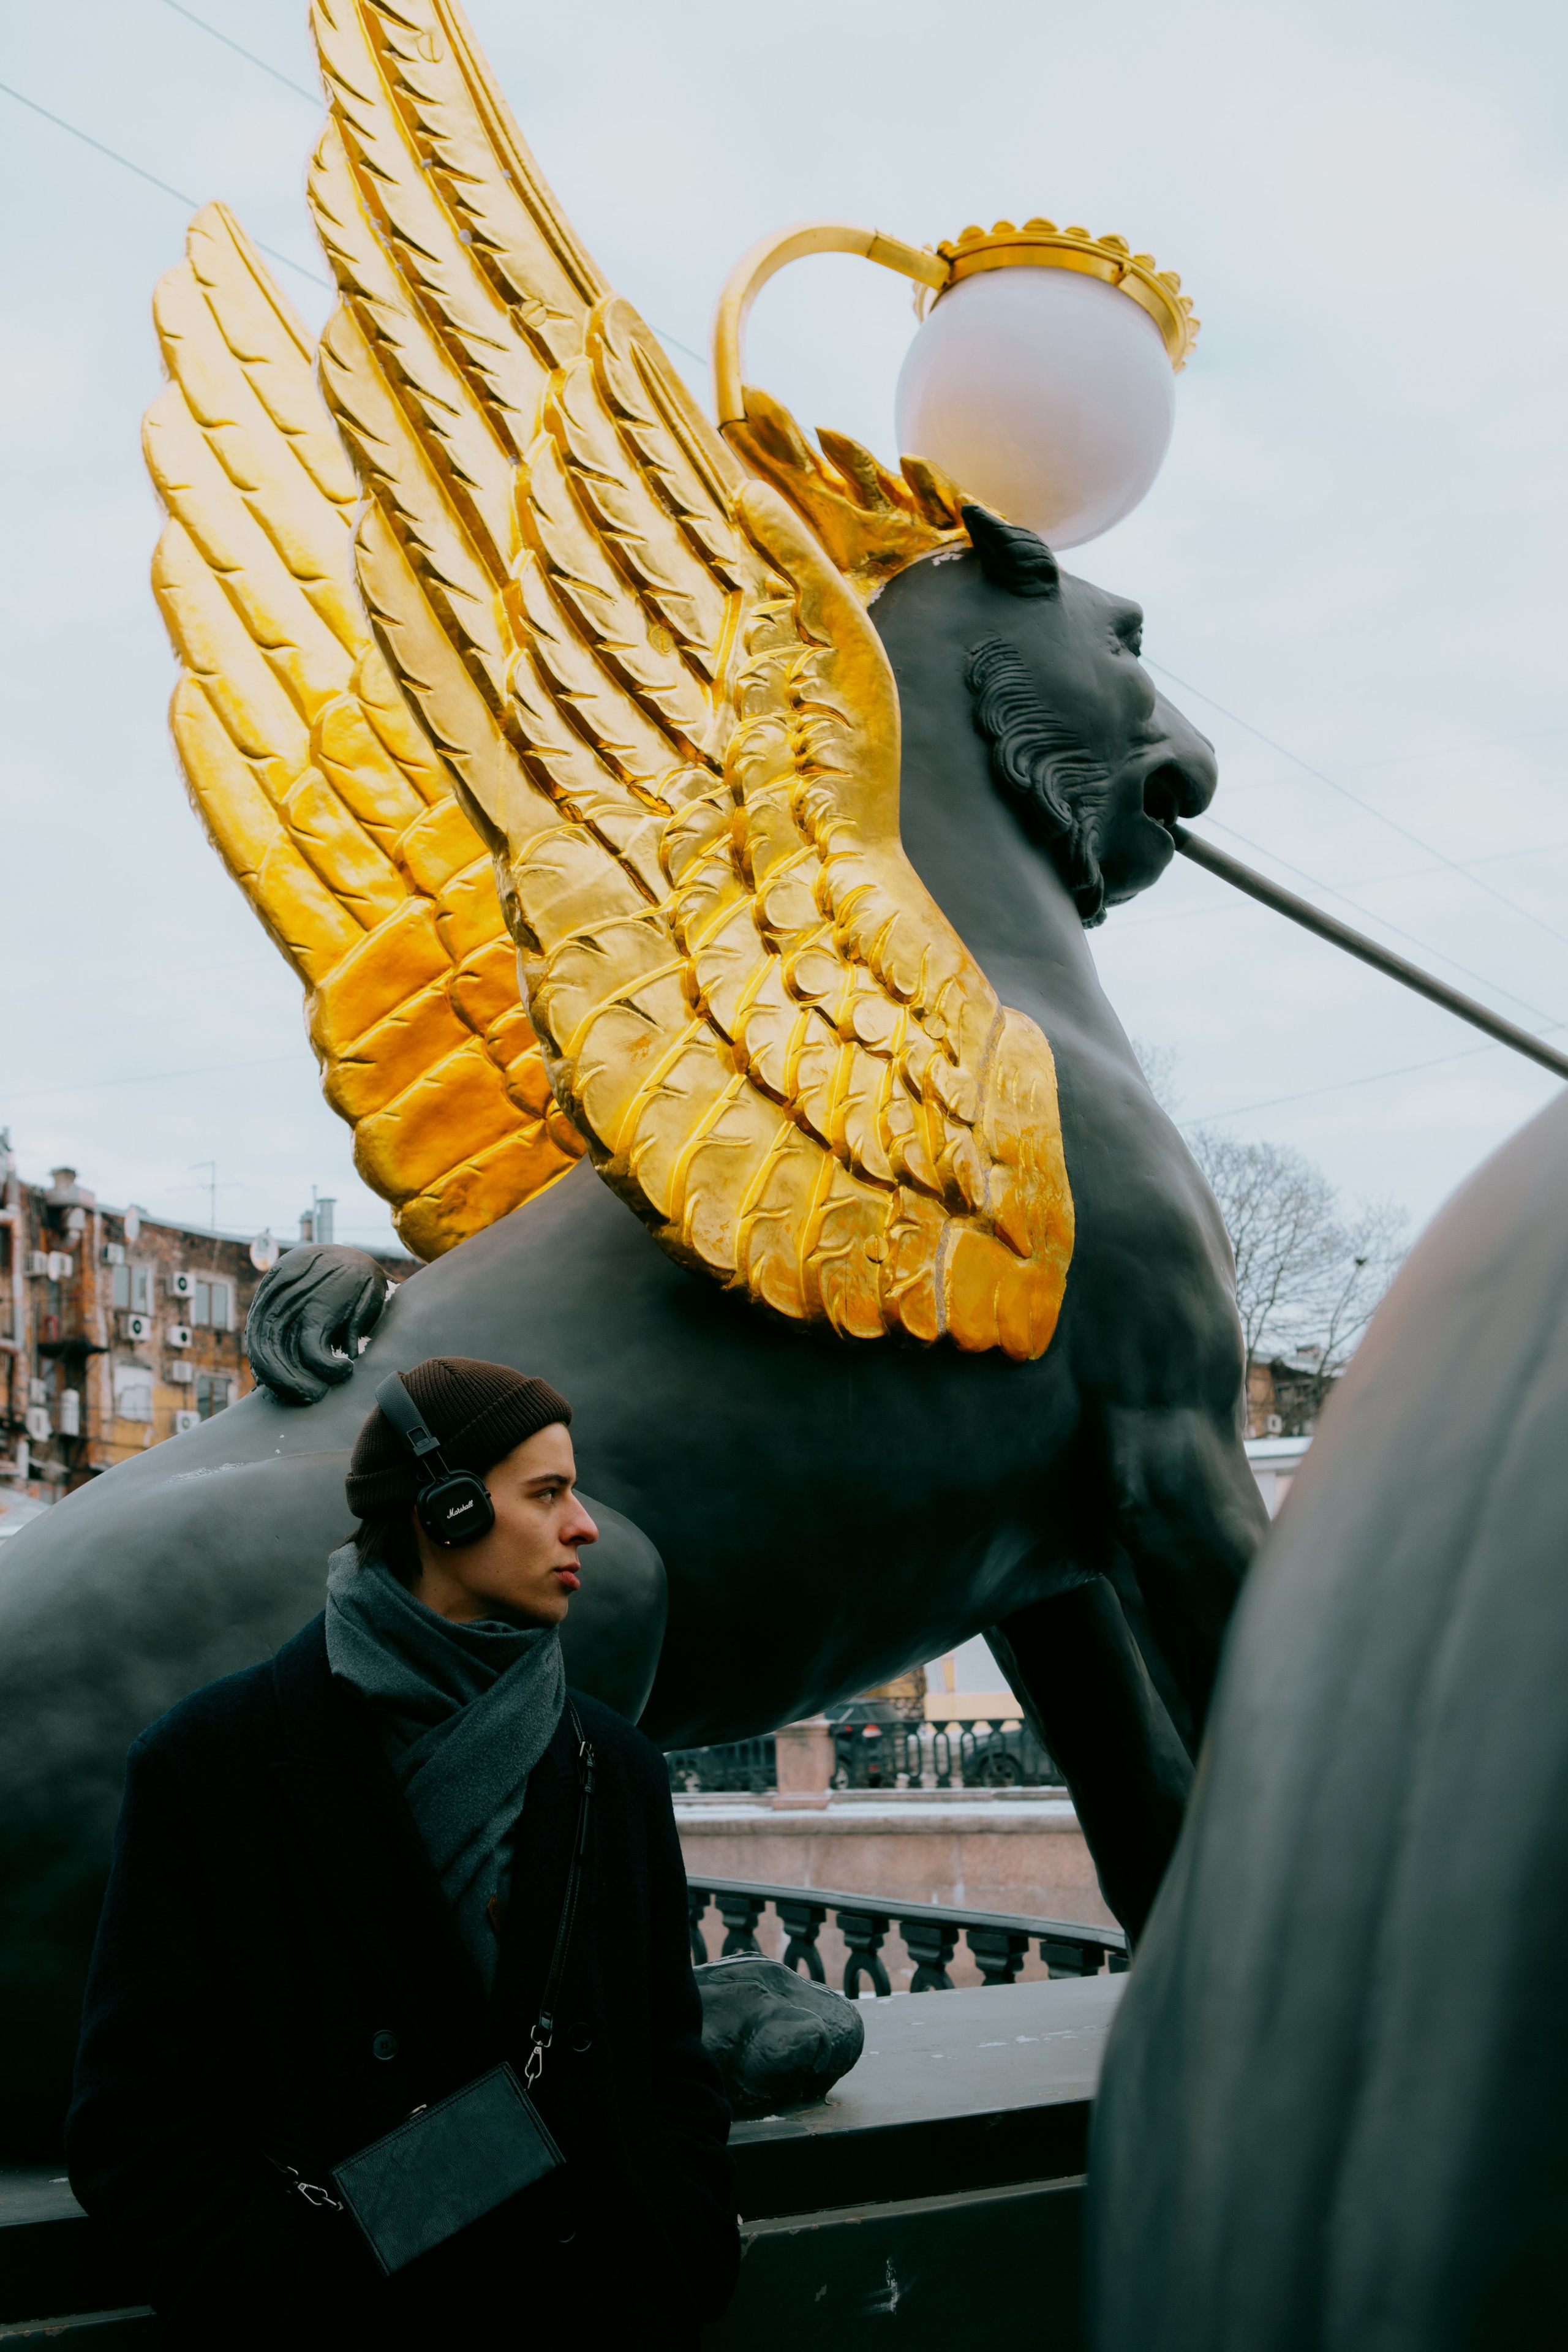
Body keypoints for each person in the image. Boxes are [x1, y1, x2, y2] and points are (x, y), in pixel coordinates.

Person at [67, 1356, 738, 2347]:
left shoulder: (615, 1765)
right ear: (449, 1510)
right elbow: (136, 2123)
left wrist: (677, 2256)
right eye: (548, 1494)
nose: (584, 1526)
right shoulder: (212, 1764)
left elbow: (670, 2071)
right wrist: (286, 2304)